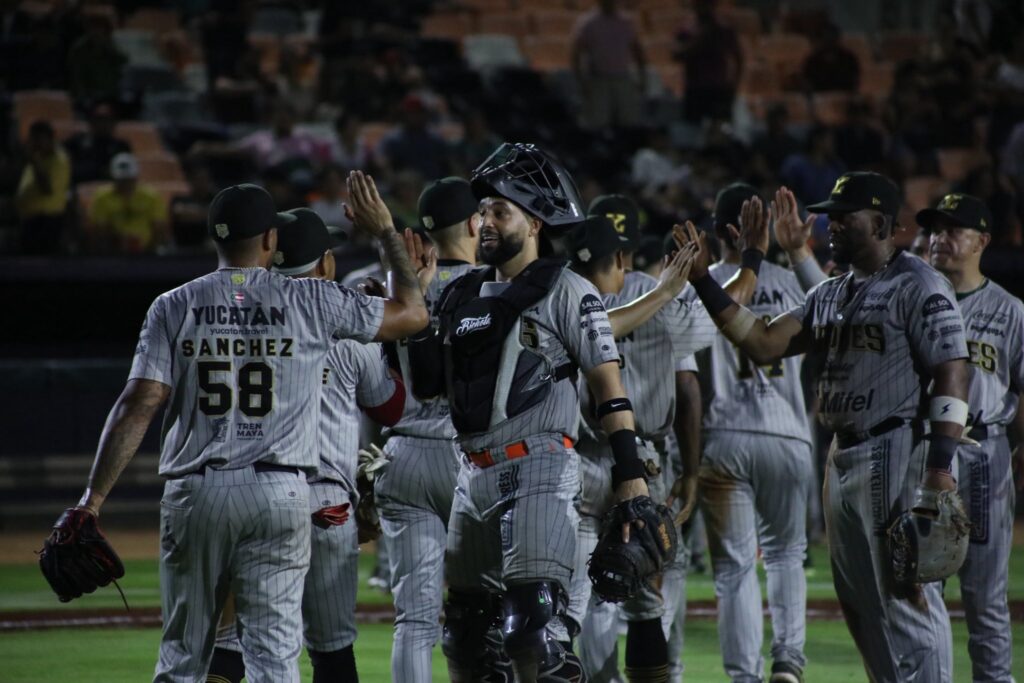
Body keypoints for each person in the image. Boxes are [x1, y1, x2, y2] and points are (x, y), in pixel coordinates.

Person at [56, 174, 428, 683]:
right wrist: (386, 231)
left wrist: (90, 501)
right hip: (281, 489)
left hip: (196, 491)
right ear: (270, 241)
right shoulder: (311, 300)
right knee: (274, 660)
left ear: (216, 238)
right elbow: (412, 314)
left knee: (185, 656)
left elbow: (139, 402)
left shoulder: (172, 304)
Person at [406, 144, 683, 682]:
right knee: (464, 637)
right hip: (471, 475)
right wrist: (419, 308)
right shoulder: (461, 291)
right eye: (482, 211)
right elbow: (427, 386)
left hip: (539, 468)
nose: (483, 221)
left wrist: (631, 477)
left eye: (498, 211)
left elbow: (609, 385)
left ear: (533, 222)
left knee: (533, 634)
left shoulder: (569, 289)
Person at [679, 171, 970, 681]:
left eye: (843, 216)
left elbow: (952, 369)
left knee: (906, 593)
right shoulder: (831, 292)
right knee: (858, 602)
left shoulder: (920, 282)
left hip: (894, 446)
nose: (831, 225)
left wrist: (941, 469)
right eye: (830, 216)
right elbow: (764, 341)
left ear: (881, 223)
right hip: (840, 454)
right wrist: (703, 280)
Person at [206, 207, 407, 683]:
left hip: (245, 496)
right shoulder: (342, 324)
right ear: (325, 265)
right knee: (332, 649)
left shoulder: (232, 321)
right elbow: (392, 408)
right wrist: (391, 344)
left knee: (233, 643)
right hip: (323, 503)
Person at [569, 194, 763, 683]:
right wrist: (751, 261)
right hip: (642, 463)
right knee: (643, 595)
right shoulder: (664, 296)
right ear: (624, 254)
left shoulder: (565, 298)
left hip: (578, 460)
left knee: (581, 593)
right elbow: (727, 310)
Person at [690, 184, 814, 683]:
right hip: (788, 433)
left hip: (724, 434)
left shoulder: (698, 282)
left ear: (721, 232)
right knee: (787, 555)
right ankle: (788, 662)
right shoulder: (797, 284)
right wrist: (798, 249)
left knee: (734, 569)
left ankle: (745, 677)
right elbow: (844, 315)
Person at [920, 193, 1023, 683]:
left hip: (987, 450)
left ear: (982, 240)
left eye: (954, 228)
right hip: (924, 451)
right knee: (923, 589)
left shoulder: (1011, 310)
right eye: (936, 228)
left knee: (985, 596)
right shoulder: (915, 296)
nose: (940, 237)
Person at [570, 0, 646, 130]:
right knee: (597, 123)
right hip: (598, 80)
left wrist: (642, 77)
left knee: (628, 122)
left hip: (622, 78)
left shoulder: (626, 22)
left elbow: (637, 51)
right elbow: (576, 54)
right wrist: (581, 81)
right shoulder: (588, 22)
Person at [673, 0, 743, 124]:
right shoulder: (686, 29)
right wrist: (700, 39)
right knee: (693, 132)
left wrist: (733, 88)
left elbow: (738, 58)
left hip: (719, 89)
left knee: (720, 134)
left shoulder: (724, 29)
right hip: (695, 89)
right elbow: (676, 55)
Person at [88, 153, 169, 253]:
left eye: (128, 179)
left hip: (147, 252)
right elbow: (100, 230)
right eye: (121, 180)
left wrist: (150, 251)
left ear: (136, 177)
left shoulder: (151, 197)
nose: (125, 184)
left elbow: (159, 228)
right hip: (114, 252)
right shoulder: (102, 198)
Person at [15, 120, 71, 254]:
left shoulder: (59, 160)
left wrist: (33, 161)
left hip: (48, 224)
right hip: (30, 221)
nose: (36, 143)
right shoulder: (38, 158)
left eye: (39, 139)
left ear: (50, 139)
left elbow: (47, 189)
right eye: (33, 139)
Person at [64, 102, 132, 184]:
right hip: (79, 190)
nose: (103, 123)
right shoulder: (76, 142)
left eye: (107, 119)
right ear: (91, 121)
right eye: (99, 119)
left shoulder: (121, 146)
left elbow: (125, 175)